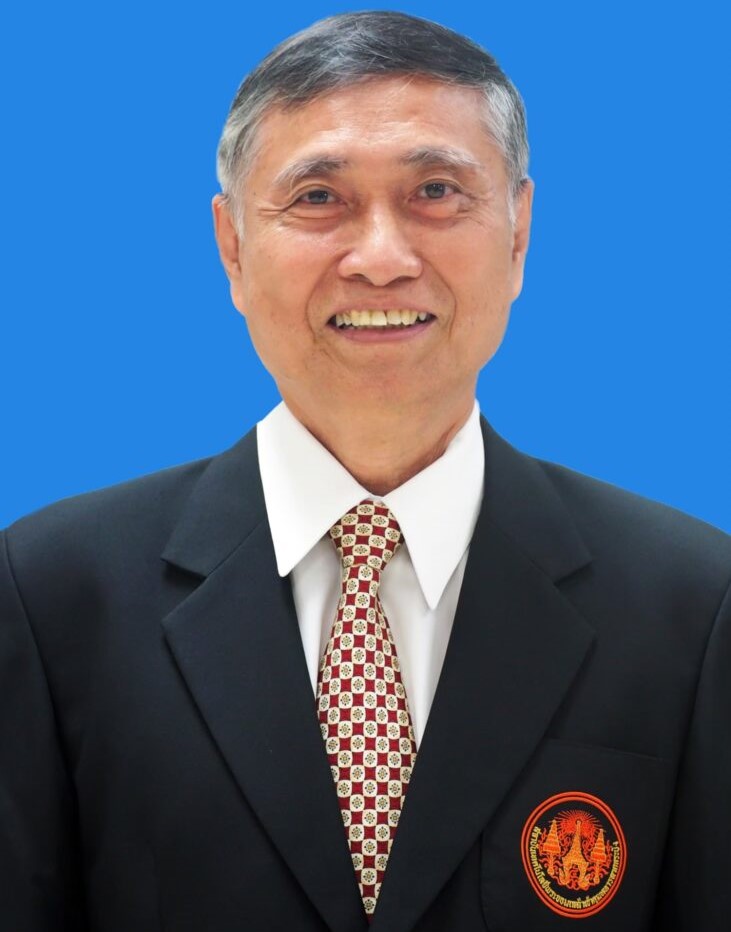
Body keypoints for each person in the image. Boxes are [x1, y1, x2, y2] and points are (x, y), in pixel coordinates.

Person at [1, 10, 729, 931]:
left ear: (517, 235)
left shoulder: (693, 603)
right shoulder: (51, 593)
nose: (382, 259)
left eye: (436, 191)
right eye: (317, 198)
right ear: (232, 246)